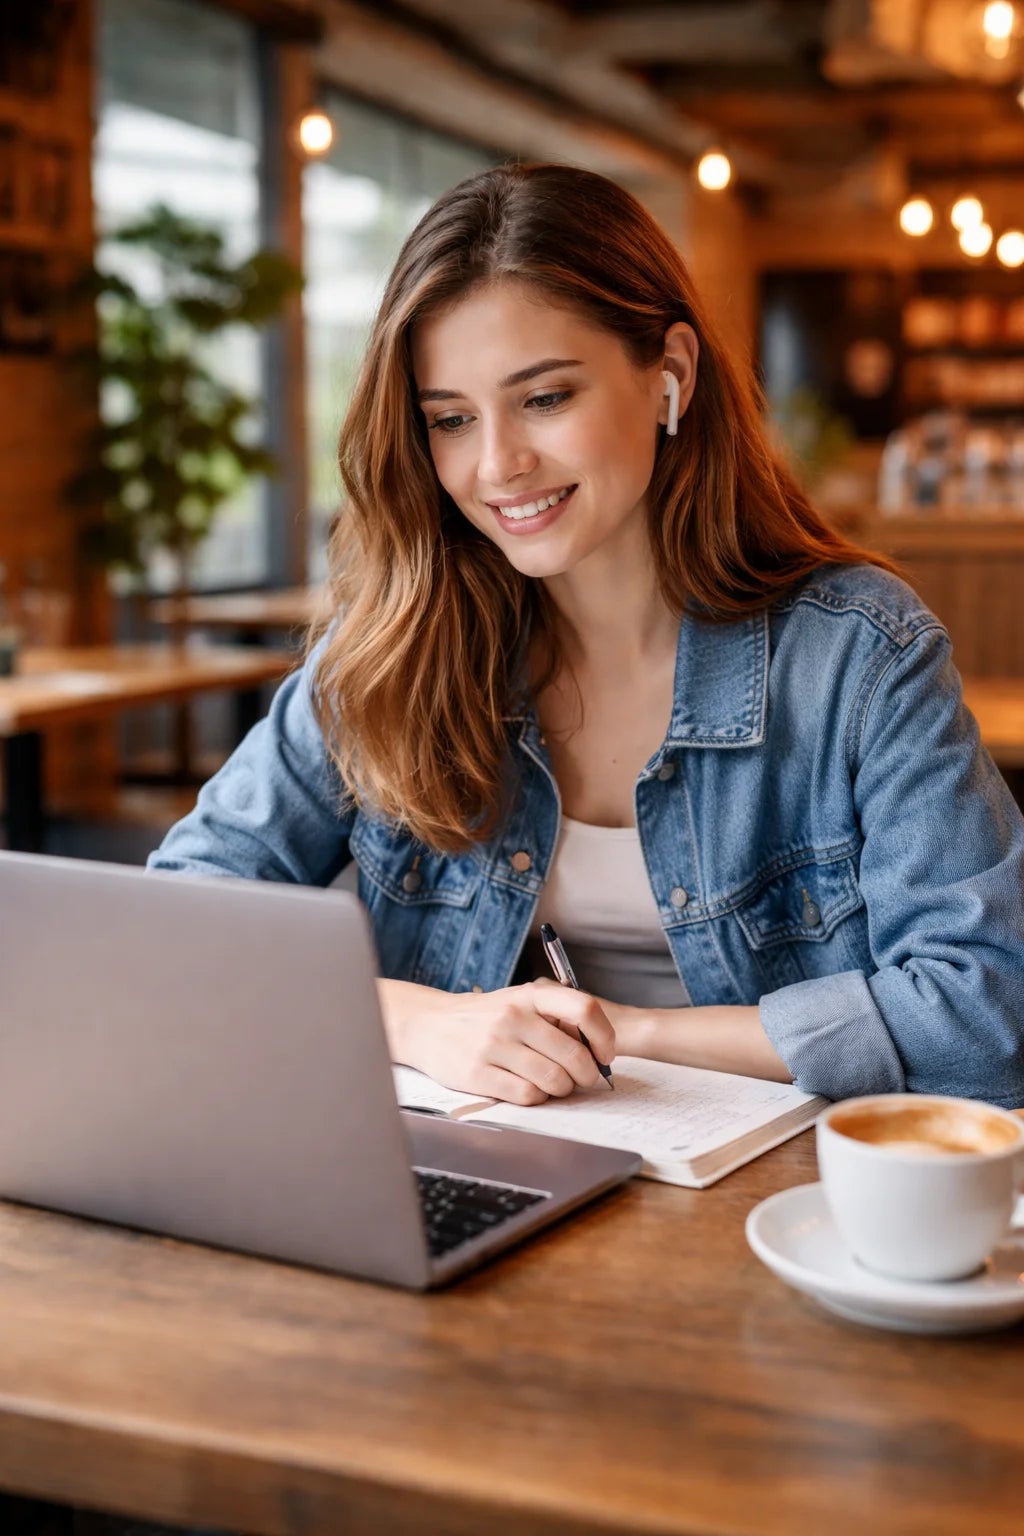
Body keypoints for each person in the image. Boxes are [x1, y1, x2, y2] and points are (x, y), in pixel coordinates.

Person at [149, 162, 1024, 1111]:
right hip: (479, 1183)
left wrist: (623, 1031)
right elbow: (177, 921)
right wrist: (417, 1022)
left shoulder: (859, 655)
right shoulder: (396, 643)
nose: (498, 465)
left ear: (670, 376)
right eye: (449, 418)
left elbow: (985, 1020)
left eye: (545, 398)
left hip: (786, 1207)